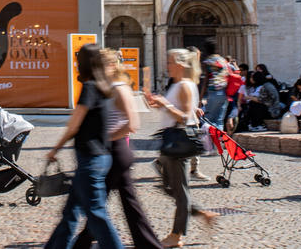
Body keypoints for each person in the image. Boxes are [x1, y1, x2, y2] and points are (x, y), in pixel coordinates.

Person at [72, 49, 163, 249]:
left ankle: (81, 244)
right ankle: (148, 244)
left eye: (101, 65)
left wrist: (103, 138)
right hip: (114, 150)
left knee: (96, 203)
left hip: (116, 150)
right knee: (127, 203)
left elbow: (132, 124)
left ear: (111, 66)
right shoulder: (108, 87)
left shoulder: (119, 88)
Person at [44, 44, 124, 249]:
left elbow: (74, 125)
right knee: (69, 213)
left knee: (96, 215)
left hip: (90, 159)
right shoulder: (105, 87)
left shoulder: (90, 87)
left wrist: (55, 149)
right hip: (100, 156)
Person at [144, 48, 216, 248]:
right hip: (171, 140)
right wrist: (158, 103)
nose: (167, 65)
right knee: (169, 186)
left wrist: (164, 104)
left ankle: (177, 235)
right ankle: (201, 213)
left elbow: (185, 116)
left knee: (180, 190)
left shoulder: (185, 85)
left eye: (170, 62)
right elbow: (175, 109)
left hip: (179, 140)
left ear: (181, 64)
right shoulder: (178, 84)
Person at [198, 43, 229, 130]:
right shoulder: (223, 60)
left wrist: (200, 98)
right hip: (224, 92)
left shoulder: (208, 61)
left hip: (213, 91)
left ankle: (210, 142)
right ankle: (218, 141)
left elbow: (206, 80)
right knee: (219, 120)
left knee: (209, 119)